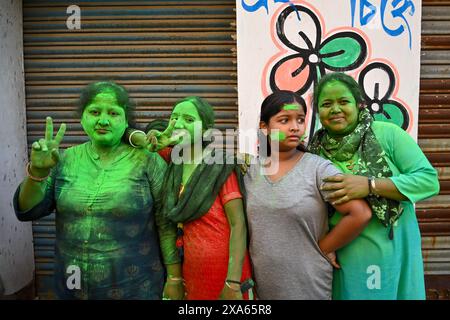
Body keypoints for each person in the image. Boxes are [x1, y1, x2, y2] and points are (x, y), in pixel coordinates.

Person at [13, 81, 178, 299]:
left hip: (136, 287)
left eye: (113, 113)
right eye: (94, 111)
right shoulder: (63, 160)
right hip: (72, 286)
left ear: (126, 120)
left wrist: (175, 279)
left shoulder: (148, 161)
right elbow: (27, 211)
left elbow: (167, 225)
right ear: (81, 117)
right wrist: (37, 173)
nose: (103, 120)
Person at [308, 72, 440, 299]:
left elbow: (428, 180)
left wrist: (370, 185)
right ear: (319, 112)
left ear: (359, 104)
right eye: (327, 104)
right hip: (348, 251)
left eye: (344, 101)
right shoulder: (314, 151)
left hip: (394, 246)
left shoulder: (387, 135)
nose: (336, 109)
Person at [243, 90, 372, 299]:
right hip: (263, 285)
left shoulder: (318, 169)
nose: (295, 127)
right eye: (284, 120)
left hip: (308, 283)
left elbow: (360, 213)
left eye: (301, 120)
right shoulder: (248, 171)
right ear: (264, 127)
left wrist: (324, 248)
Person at [128, 96, 253, 300]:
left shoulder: (220, 166)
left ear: (205, 130)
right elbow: (125, 133)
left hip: (225, 273)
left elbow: (238, 225)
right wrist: (147, 138)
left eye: (188, 119)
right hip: (192, 272)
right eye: (174, 117)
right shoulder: (171, 161)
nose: (178, 124)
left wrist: (233, 281)